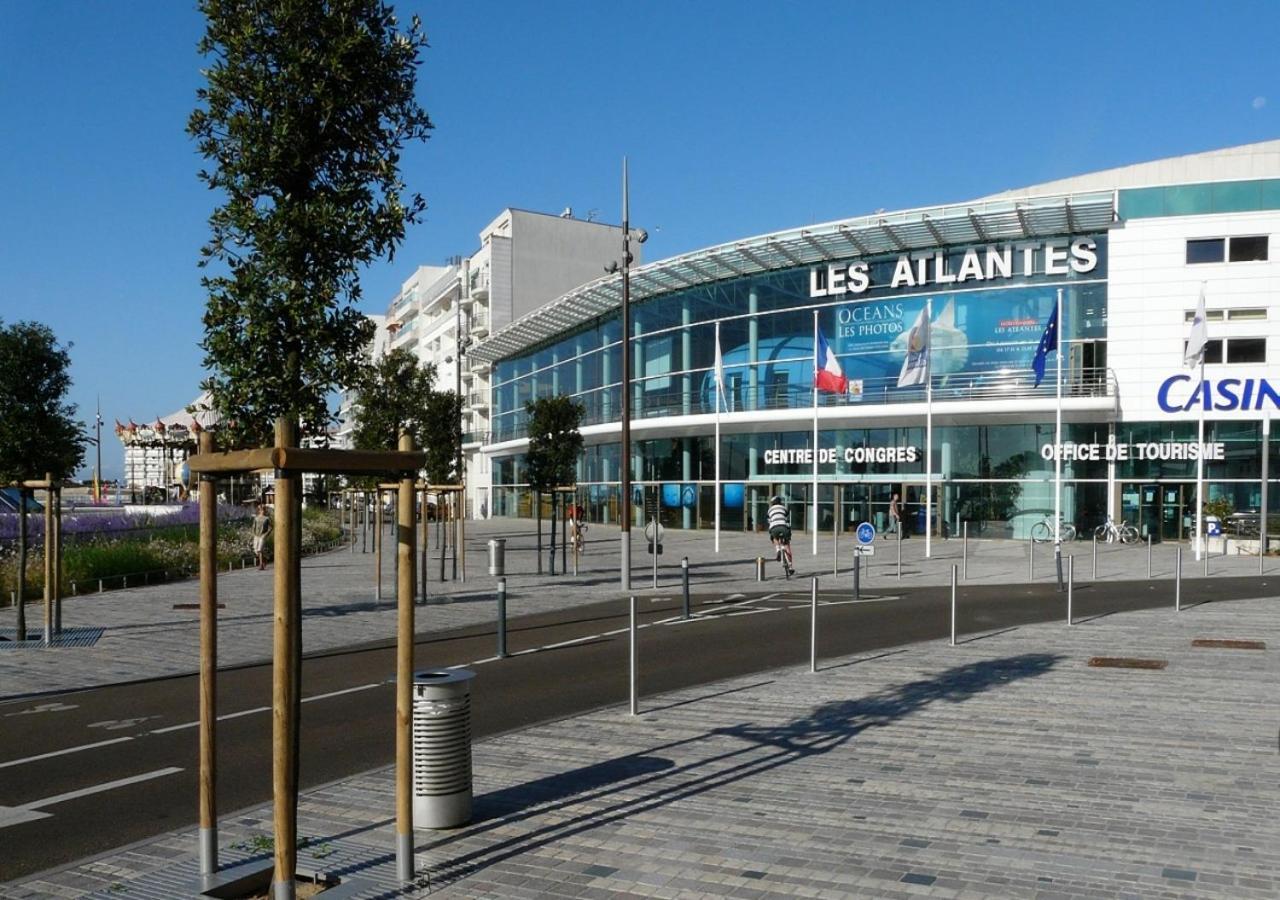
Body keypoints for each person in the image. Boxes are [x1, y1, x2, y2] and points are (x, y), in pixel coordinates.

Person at [767, 495, 794, 577]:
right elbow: (786, 515)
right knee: (787, 545)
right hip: (783, 527)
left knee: (774, 537)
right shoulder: (783, 508)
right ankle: (790, 566)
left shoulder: (770, 510)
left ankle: (778, 549)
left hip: (774, 527)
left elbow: (768, 519)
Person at [252, 503, 272, 570]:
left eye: (264, 510)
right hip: (256, 536)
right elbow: (253, 526)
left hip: (262, 536)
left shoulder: (267, 518)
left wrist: (266, 534)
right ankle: (265, 559)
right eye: (261, 510)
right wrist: (253, 533)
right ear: (259, 511)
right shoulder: (256, 518)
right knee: (256, 551)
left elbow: (271, 527)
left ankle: (261, 565)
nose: (263, 511)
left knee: (260, 550)